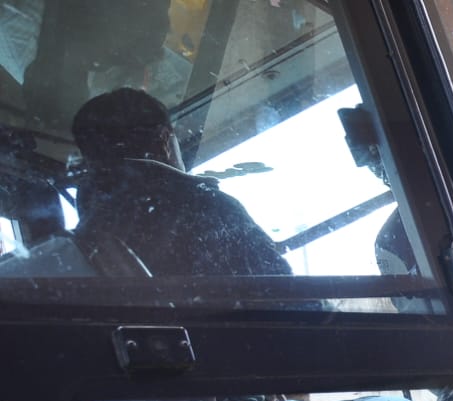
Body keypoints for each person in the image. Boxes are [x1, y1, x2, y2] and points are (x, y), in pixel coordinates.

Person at [70, 88, 291, 276]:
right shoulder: (209, 207)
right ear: (164, 140)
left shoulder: (84, 234)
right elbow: (282, 292)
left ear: (89, 159)